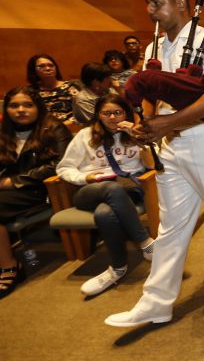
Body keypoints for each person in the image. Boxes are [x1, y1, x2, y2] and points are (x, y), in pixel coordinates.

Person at [105, 0, 204, 328]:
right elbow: (153, 95)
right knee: (170, 225)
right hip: (171, 146)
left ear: (182, 3)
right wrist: (148, 124)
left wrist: (172, 123)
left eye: (157, 3)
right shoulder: (153, 47)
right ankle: (156, 301)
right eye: (148, 4)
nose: (150, 11)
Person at [56, 96, 155, 296]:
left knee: (104, 213)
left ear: (126, 113)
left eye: (117, 112)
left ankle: (117, 268)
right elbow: (64, 167)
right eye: (106, 113)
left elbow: (152, 166)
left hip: (127, 190)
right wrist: (86, 177)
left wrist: (137, 138)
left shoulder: (136, 133)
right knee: (111, 188)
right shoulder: (85, 135)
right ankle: (145, 242)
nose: (112, 117)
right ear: (98, 115)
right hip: (90, 191)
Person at [0, 87, 71, 300]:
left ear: (37, 107)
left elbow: (60, 164)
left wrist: (14, 181)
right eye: (14, 106)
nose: (21, 110)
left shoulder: (53, 128)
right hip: (7, 189)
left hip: (41, 188)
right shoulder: (4, 130)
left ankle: (9, 266)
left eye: (27, 105)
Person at [26, 54, 80, 126]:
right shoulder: (30, 91)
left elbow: (82, 112)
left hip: (69, 128)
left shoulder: (70, 87)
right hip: (41, 130)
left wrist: (62, 126)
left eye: (51, 65)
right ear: (33, 71)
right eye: (41, 66)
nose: (48, 68)